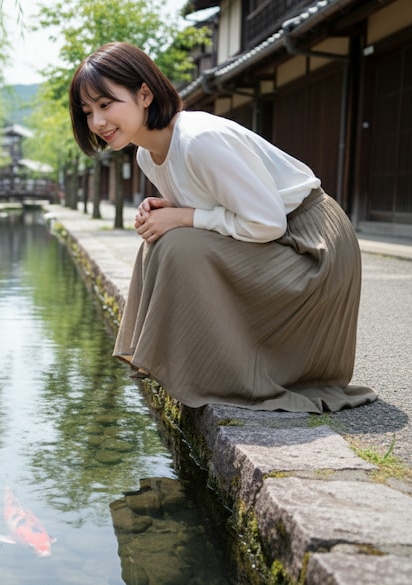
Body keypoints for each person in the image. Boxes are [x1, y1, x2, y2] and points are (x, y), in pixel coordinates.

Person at [68, 41, 377, 413]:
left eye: (106, 104)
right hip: (282, 238)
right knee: (160, 239)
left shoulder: (199, 139)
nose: (97, 122)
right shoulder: (147, 156)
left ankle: (220, 368)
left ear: (144, 94)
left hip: (314, 249)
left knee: (177, 244)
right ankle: (183, 362)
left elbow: (265, 222)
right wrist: (170, 210)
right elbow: (217, 207)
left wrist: (183, 216)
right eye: (87, 112)